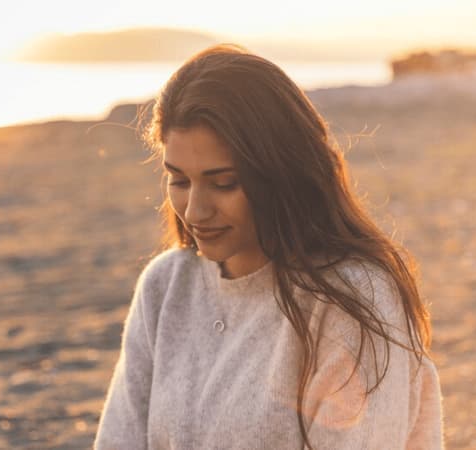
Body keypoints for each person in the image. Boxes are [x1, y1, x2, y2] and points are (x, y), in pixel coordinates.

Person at [94, 43, 444, 449]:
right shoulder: (165, 285)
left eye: (224, 183)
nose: (194, 210)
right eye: (179, 180)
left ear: (280, 172)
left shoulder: (352, 298)